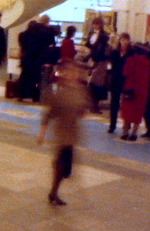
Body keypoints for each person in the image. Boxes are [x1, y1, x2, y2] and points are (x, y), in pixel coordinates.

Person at [37, 61, 91, 206]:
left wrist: (82, 111)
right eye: (69, 71)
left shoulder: (80, 89)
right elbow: (49, 113)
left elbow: (83, 109)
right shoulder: (59, 91)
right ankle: (53, 192)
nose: (72, 74)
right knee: (63, 167)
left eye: (74, 71)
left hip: (72, 134)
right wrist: (42, 132)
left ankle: (53, 192)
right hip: (62, 134)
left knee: (66, 170)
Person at [120, 46, 150, 141]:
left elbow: (125, 73)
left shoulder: (130, 60)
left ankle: (125, 133)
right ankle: (134, 133)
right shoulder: (147, 62)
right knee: (138, 112)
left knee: (127, 111)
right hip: (142, 90)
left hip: (129, 88)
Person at [108, 33, 133, 134]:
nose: (124, 42)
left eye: (126, 40)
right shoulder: (114, 52)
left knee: (126, 103)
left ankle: (126, 125)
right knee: (114, 103)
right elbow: (111, 65)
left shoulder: (131, 53)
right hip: (116, 79)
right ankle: (112, 124)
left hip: (126, 80)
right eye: (122, 39)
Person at [85, 16, 110, 113]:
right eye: (94, 24)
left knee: (98, 83)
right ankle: (92, 104)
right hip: (91, 59)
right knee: (90, 83)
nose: (95, 25)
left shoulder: (104, 35)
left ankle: (96, 105)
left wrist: (94, 55)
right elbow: (88, 45)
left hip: (99, 60)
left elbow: (102, 48)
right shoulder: (91, 33)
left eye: (96, 24)